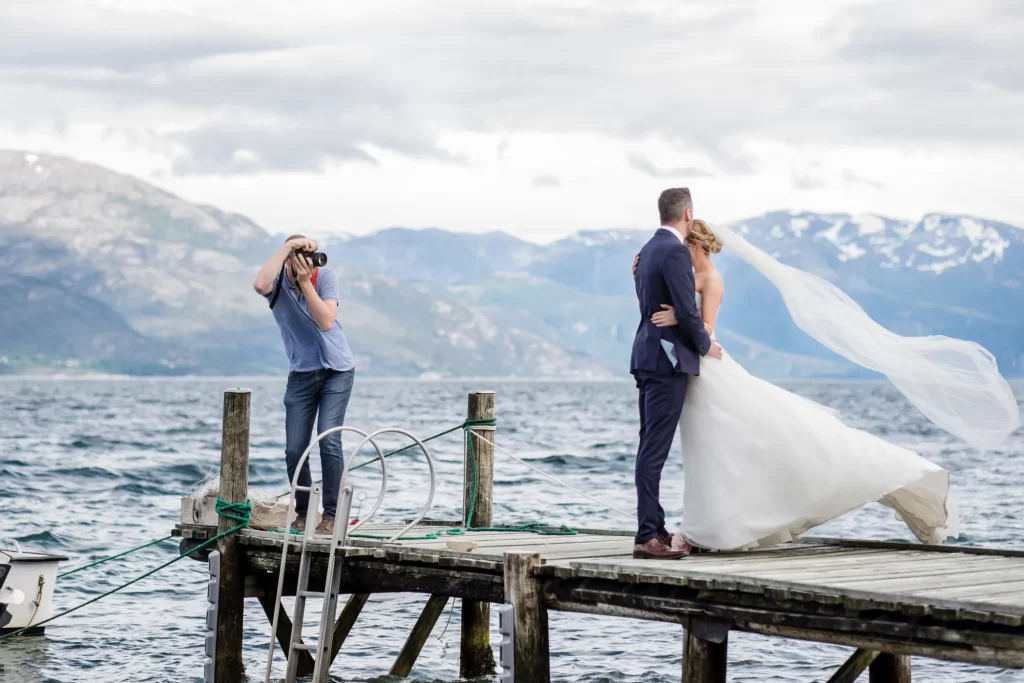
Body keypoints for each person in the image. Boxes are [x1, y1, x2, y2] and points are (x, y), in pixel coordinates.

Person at [631, 219, 1020, 553]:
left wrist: (680, 320)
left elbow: (708, 329)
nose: (680, 249)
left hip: (705, 364)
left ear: (696, 244)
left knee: (744, 440)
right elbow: (663, 291)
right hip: (687, 366)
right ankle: (712, 525)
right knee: (712, 449)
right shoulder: (682, 271)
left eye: (685, 244)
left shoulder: (712, 280)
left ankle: (712, 528)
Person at [629, 188, 723, 560]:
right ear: (688, 214)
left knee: (647, 446)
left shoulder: (648, 250)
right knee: (654, 451)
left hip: (647, 355)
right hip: (666, 361)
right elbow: (685, 309)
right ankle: (647, 536)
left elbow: (659, 303)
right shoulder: (674, 252)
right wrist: (706, 346)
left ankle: (656, 528)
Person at [253, 235, 355, 537]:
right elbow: (260, 285)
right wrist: (287, 248)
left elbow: (326, 320)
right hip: (301, 374)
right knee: (295, 448)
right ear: (288, 259)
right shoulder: (277, 286)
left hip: (337, 370)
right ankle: (305, 512)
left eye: (312, 257)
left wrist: (307, 282)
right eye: (301, 257)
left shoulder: (324, 277)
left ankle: (333, 516)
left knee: (328, 439)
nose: (309, 263)